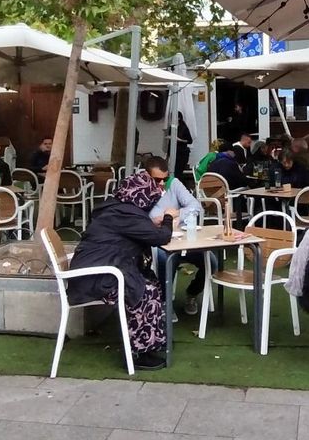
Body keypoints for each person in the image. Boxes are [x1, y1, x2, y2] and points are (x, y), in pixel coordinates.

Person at [66, 171, 174, 370]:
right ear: (141, 197)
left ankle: (151, 341)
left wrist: (151, 224)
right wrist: (168, 218)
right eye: (151, 196)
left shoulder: (117, 208)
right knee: (145, 290)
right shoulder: (126, 214)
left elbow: (138, 230)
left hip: (97, 269)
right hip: (95, 277)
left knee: (150, 282)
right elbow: (160, 238)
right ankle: (139, 354)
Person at [144, 156, 207, 315]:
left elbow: (195, 206)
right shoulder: (139, 190)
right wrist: (154, 221)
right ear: (146, 176)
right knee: (164, 259)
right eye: (157, 180)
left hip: (181, 239)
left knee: (211, 261)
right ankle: (164, 303)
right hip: (156, 241)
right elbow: (135, 218)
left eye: (164, 179)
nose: (161, 184)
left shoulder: (173, 184)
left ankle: (192, 293)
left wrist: (175, 215)